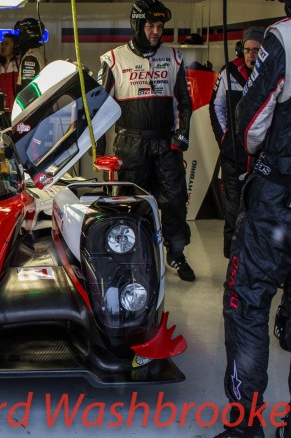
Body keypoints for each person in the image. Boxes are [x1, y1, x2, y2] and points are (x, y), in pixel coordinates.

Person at [217, 0, 291, 436]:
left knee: (246, 303)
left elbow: (250, 126)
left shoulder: (283, 36)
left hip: (279, 196)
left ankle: (246, 424)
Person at [96, 0, 195, 282]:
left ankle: (177, 254)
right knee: (132, 205)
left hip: (165, 143)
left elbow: (184, 103)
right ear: (137, 25)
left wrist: (182, 135)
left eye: (160, 26)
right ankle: (130, 259)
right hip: (131, 145)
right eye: (150, 25)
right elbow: (99, 108)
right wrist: (98, 150)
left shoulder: (174, 57)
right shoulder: (112, 59)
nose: (156, 32)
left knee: (174, 202)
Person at [209, 27, 264, 259]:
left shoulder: (271, 72)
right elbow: (216, 107)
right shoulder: (229, 71)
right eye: (248, 50)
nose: (251, 55)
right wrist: (225, 139)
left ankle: (255, 255)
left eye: (256, 50)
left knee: (259, 207)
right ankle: (232, 257)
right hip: (233, 154)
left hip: (262, 155)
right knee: (233, 208)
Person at [13, 18, 46, 93]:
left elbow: (27, 91)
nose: (18, 36)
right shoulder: (38, 53)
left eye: (20, 32)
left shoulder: (30, 57)